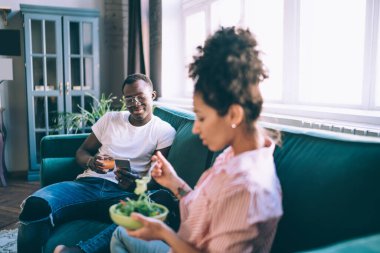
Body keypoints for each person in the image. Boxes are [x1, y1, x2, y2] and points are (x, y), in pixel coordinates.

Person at [110, 27, 283, 253]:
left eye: (201, 117)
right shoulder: (236, 153)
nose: (196, 127)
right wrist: (174, 183)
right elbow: (206, 211)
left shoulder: (246, 188)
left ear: (234, 115)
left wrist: (163, 233)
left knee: (122, 235)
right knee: (121, 233)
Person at [17, 73, 177, 253]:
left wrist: (135, 183)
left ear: (152, 96)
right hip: (87, 185)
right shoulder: (110, 119)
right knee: (35, 204)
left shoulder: (164, 131)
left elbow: (157, 176)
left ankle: (80, 251)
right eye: (129, 98)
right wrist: (91, 162)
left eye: (140, 97)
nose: (135, 103)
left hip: (123, 193)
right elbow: (81, 152)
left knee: (144, 215)